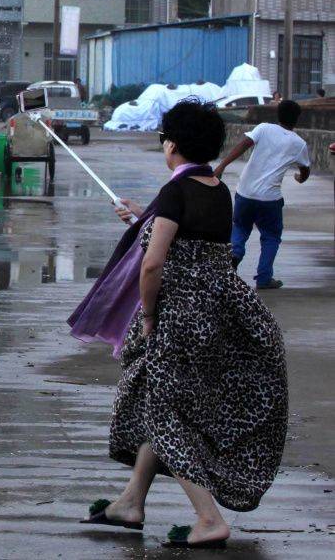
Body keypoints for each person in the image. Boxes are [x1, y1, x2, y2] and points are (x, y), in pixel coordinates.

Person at [81, 100, 287, 549]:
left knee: (167, 413)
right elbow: (191, 241)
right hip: (217, 313)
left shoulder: (175, 192)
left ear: (171, 144)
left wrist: (149, 314)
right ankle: (131, 502)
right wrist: (144, 219)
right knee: (165, 405)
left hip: (179, 318)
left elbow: (153, 266)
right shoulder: (217, 187)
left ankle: (208, 518)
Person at [212, 99, 311, 290]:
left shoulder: (264, 128)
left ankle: (235, 255)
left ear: (277, 114)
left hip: (245, 192)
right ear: (297, 119)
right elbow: (305, 168)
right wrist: (300, 178)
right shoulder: (299, 143)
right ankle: (264, 278)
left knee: (240, 227)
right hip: (269, 199)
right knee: (271, 236)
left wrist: (222, 165)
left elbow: (243, 145)